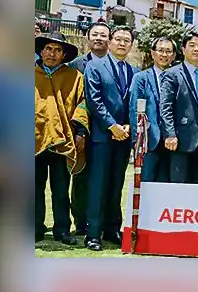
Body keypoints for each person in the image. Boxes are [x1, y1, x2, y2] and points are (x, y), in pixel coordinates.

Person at [83, 26, 137, 252]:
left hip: (123, 137)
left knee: (116, 185)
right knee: (98, 186)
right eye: (118, 39)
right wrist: (112, 126)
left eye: (127, 40)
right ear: (110, 42)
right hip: (103, 136)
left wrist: (127, 126)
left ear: (131, 45)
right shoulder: (95, 66)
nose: (122, 43)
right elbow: (94, 100)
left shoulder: (134, 71)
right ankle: (93, 234)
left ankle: (112, 228)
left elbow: (133, 102)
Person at [34, 32, 88, 245]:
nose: (52, 54)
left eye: (57, 50)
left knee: (61, 189)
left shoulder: (74, 78)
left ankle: (62, 229)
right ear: (41, 51)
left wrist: (80, 133)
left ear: (64, 54)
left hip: (62, 141)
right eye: (48, 48)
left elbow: (83, 105)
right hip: (34, 140)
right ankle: (35, 228)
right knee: (33, 188)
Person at [68, 21, 111, 236]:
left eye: (103, 35)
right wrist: (78, 130)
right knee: (81, 178)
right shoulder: (75, 65)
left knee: (105, 179)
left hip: (108, 133)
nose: (99, 38)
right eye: (95, 34)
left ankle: (102, 222)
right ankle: (80, 222)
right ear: (88, 37)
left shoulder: (115, 65)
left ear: (109, 40)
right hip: (81, 132)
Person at [159, 32, 198, 185]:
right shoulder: (172, 74)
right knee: (179, 186)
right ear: (183, 49)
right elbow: (165, 107)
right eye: (192, 45)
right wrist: (169, 134)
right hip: (181, 140)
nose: (197, 49)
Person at [128, 37, 175, 183]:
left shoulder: (177, 77)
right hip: (148, 141)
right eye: (161, 50)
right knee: (145, 184)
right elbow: (134, 109)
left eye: (168, 51)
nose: (164, 55)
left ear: (173, 56)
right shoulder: (141, 78)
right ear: (152, 53)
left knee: (167, 186)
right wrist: (137, 141)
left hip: (172, 142)